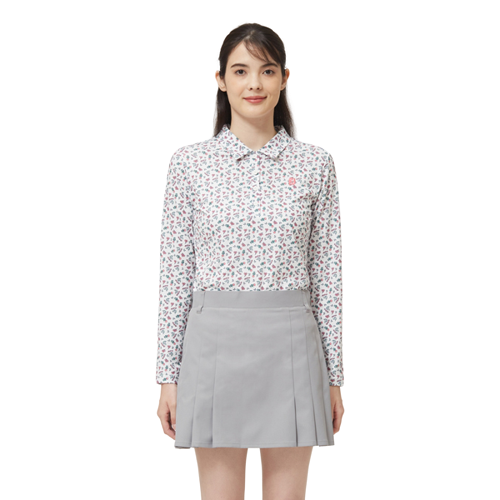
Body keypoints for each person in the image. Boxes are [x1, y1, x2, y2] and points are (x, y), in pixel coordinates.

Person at [156, 22, 345, 500]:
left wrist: (334, 378)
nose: (254, 84)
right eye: (240, 71)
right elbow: (175, 276)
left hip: (292, 348)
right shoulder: (189, 165)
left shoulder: (315, 165)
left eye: (267, 70)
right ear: (221, 80)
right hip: (212, 348)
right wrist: (168, 377)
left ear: (284, 78)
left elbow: (328, 278)